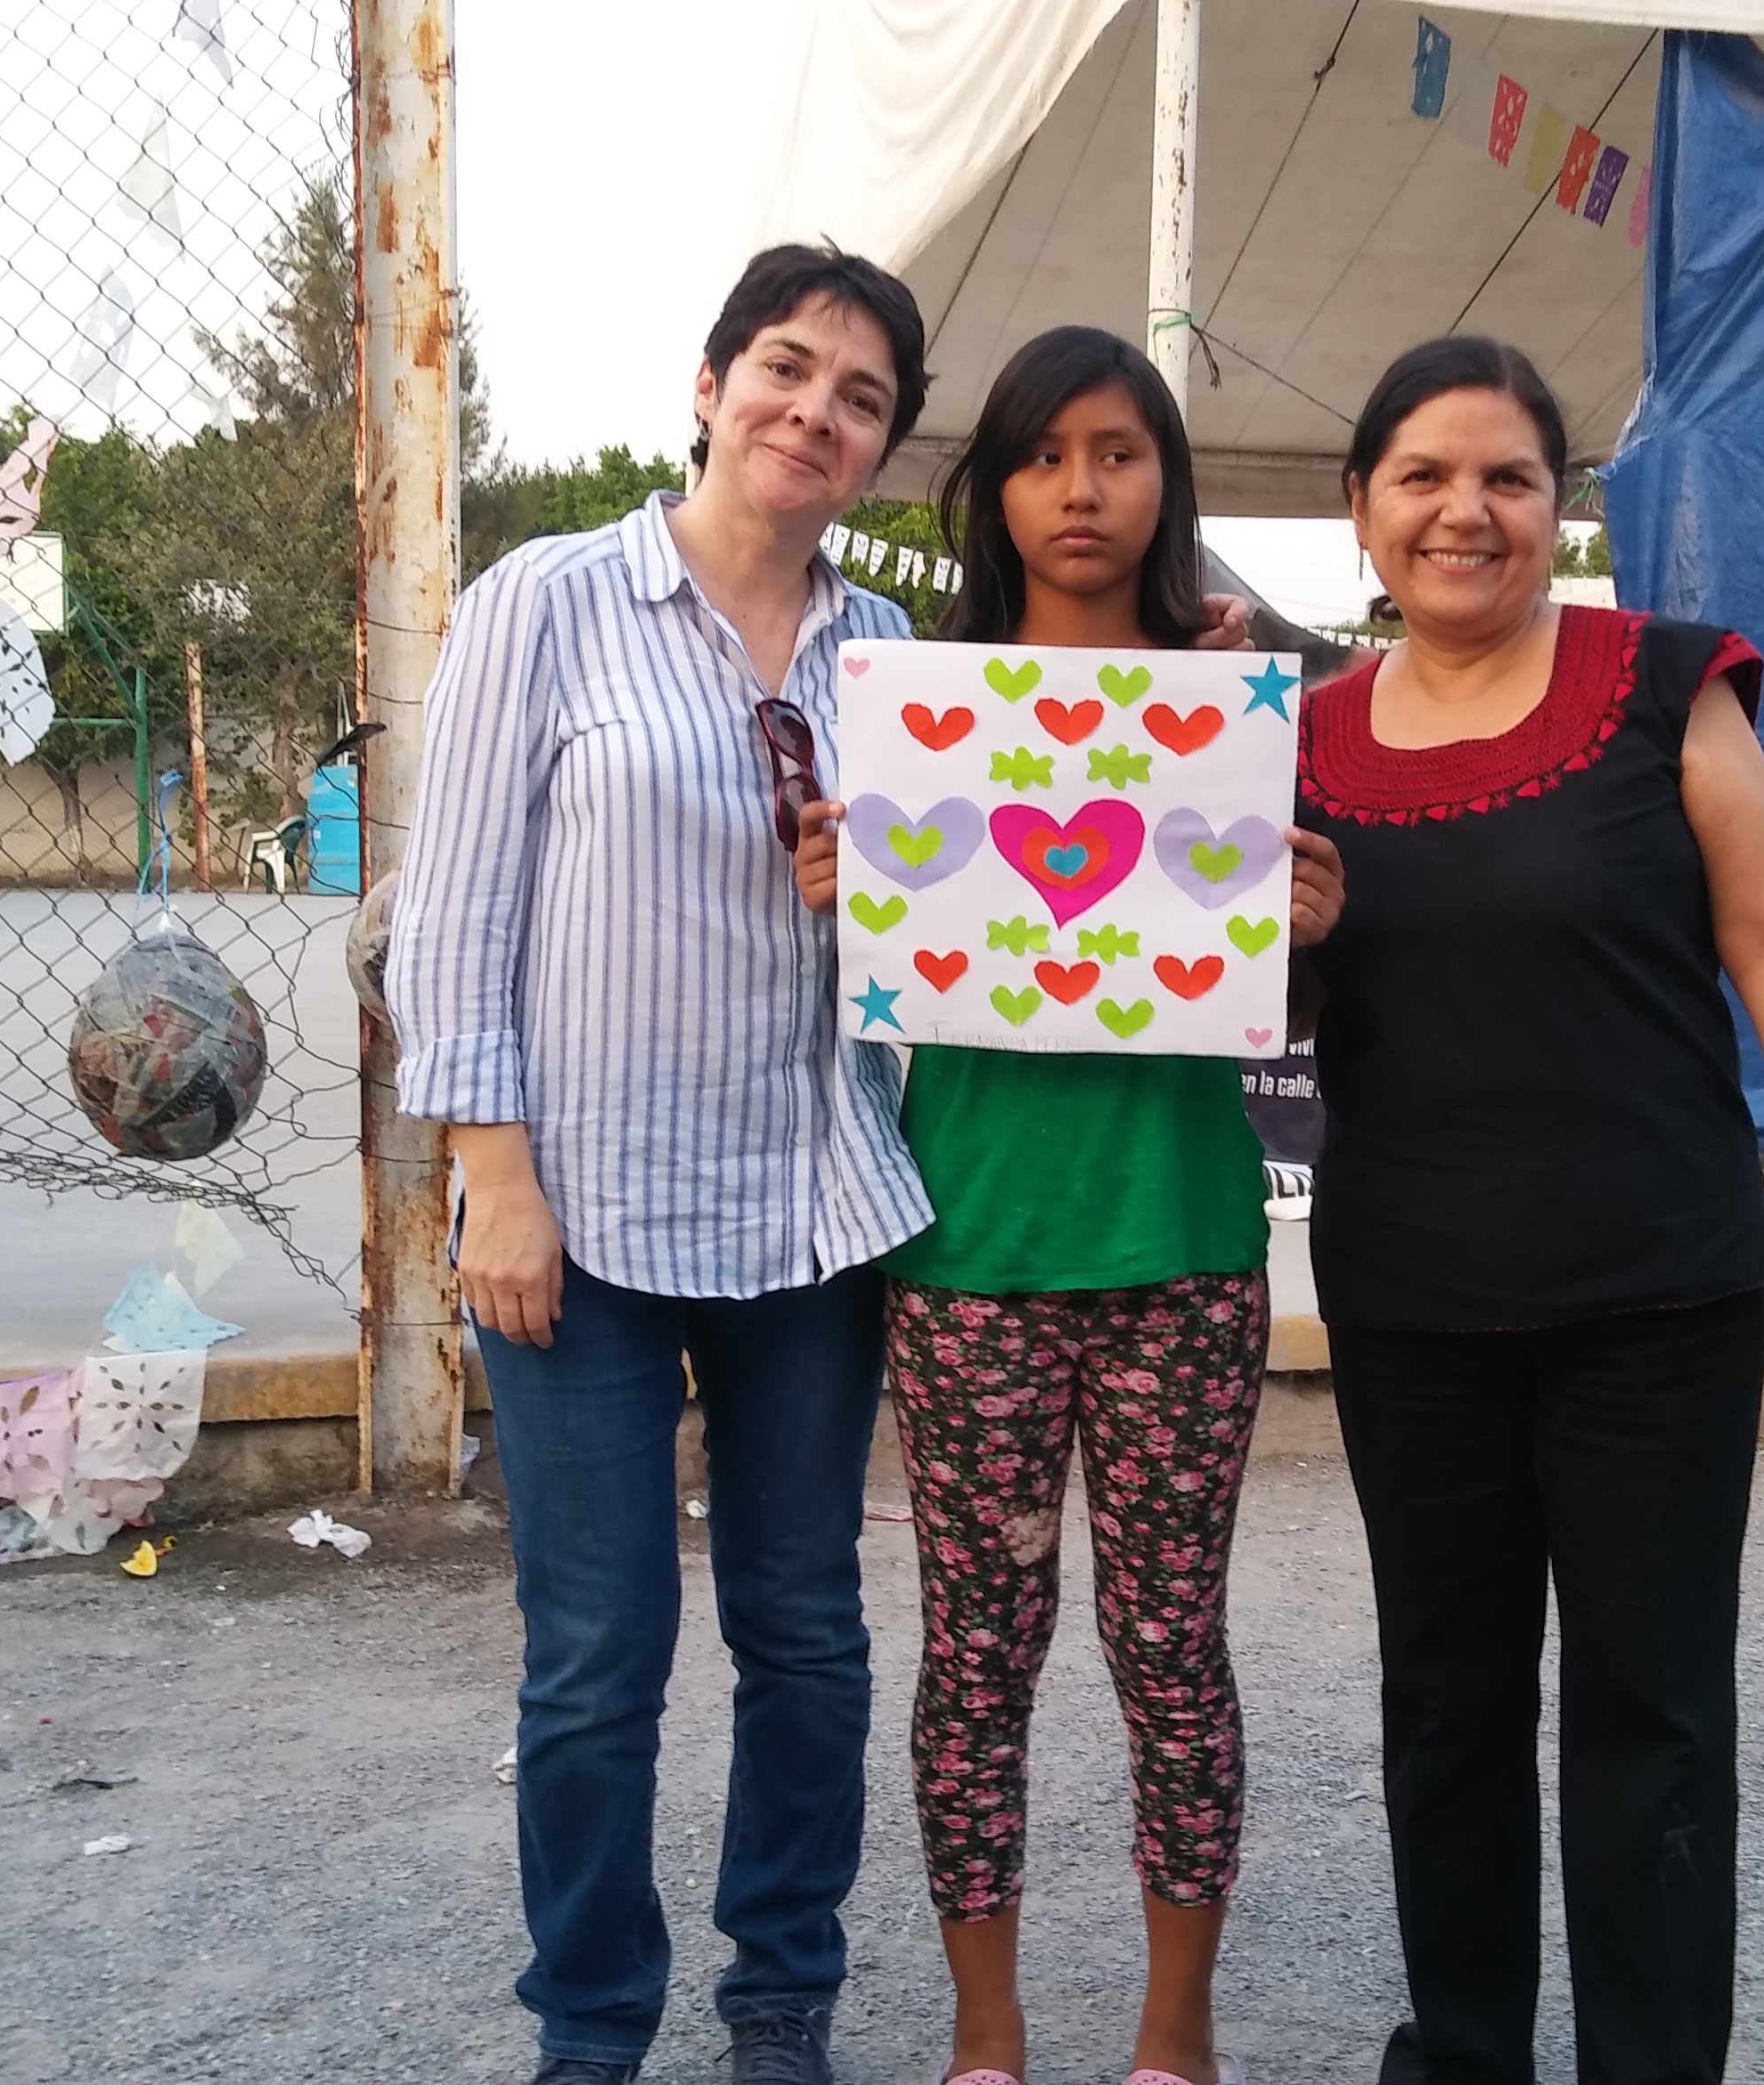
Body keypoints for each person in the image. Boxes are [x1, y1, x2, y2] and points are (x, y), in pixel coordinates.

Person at [1291, 335, 1764, 2083]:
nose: (1465, 512)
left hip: (1655, 1293)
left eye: (1507, 476)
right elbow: (1262, 1003)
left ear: (1556, 506)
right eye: (1423, 477)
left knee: (1653, 1714)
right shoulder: (1297, 743)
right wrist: (1283, 936)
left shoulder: (1662, 684)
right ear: (1361, 513)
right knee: (1449, 1703)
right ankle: (1465, 2055)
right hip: (1413, 1297)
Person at [386, 242, 938, 2085]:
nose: (815, 412)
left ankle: (781, 1989)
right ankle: (593, 2017)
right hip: (586, 1217)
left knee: (807, 1632)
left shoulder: (895, 661)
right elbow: (452, 918)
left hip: (812, 1210)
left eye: (860, 398)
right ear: (709, 387)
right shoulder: (548, 602)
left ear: (881, 450)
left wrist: (887, 903)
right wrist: (495, 1179)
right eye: (785, 367)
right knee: (595, 1655)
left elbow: (958, 937)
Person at [791, 323, 1343, 2085]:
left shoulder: (1235, 706)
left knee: (1172, 1651)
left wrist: (1305, 924)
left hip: (1182, 1245)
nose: (1081, 489)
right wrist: (843, 880)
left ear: (1168, 478)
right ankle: (988, 2037)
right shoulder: (916, 707)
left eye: (1118, 451)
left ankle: (1175, 2036)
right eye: (1043, 455)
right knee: (979, 1656)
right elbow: (891, 946)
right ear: (995, 489)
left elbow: (1268, 1001)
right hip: (970, 1251)